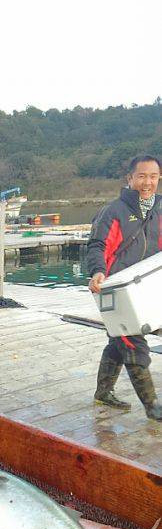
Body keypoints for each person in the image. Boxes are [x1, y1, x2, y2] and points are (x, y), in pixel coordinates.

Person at [87, 155, 162, 420]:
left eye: (153, 176)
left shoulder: (159, 210)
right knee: (130, 341)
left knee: (117, 339)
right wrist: (97, 271)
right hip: (116, 290)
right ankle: (153, 407)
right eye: (141, 176)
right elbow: (98, 245)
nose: (147, 182)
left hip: (147, 290)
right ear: (129, 179)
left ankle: (103, 392)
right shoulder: (113, 211)